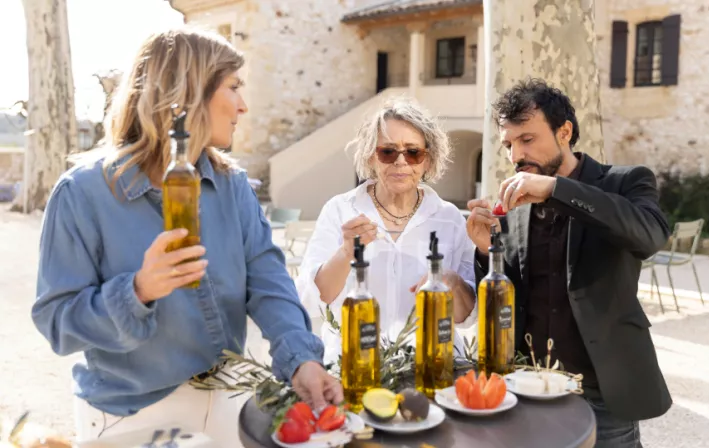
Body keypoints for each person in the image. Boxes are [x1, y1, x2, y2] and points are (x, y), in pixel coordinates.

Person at [31, 28, 341, 446]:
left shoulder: (233, 186)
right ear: (188, 94)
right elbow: (57, 324)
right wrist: (137, 292)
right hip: (130, 413)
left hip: (230, 398)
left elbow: (270, 285)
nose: (243, 105)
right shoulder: (82, 194)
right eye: (233, 87)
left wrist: (301, 359)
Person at [467, 78, 671, 447]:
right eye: (509, 144)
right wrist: (487, 253)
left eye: (527, 139)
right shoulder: (513, 204)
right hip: (526, 387)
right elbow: (511, 296)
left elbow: (650, 236)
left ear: (564, 132)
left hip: (603, 392)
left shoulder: (624, 182)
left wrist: (557, 190)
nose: (515, 156)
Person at [296, 97, 477, 365]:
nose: (401, 162)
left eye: (413, 152)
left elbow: (466, 317)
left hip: (434, 365)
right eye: (388, 152)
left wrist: (451, 282)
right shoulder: (340, 210)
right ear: (372, 157)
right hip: (354, 365)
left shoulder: (449, 218)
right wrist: (346, 252)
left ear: (428, 160)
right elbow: (313, 299)